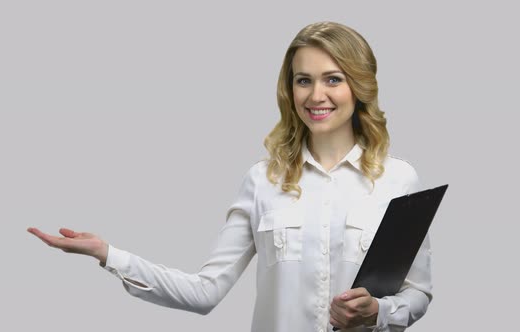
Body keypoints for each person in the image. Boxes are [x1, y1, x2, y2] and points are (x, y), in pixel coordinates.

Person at [28, 21, 432, 332]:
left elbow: (417, 293)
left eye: (333, 79)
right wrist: (108, 255)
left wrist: (379, 311)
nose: (315, 96)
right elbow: (205, 292)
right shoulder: (263, 181)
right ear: (289, 89)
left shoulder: (398, 179)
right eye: (303, 80)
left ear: (358, 85)